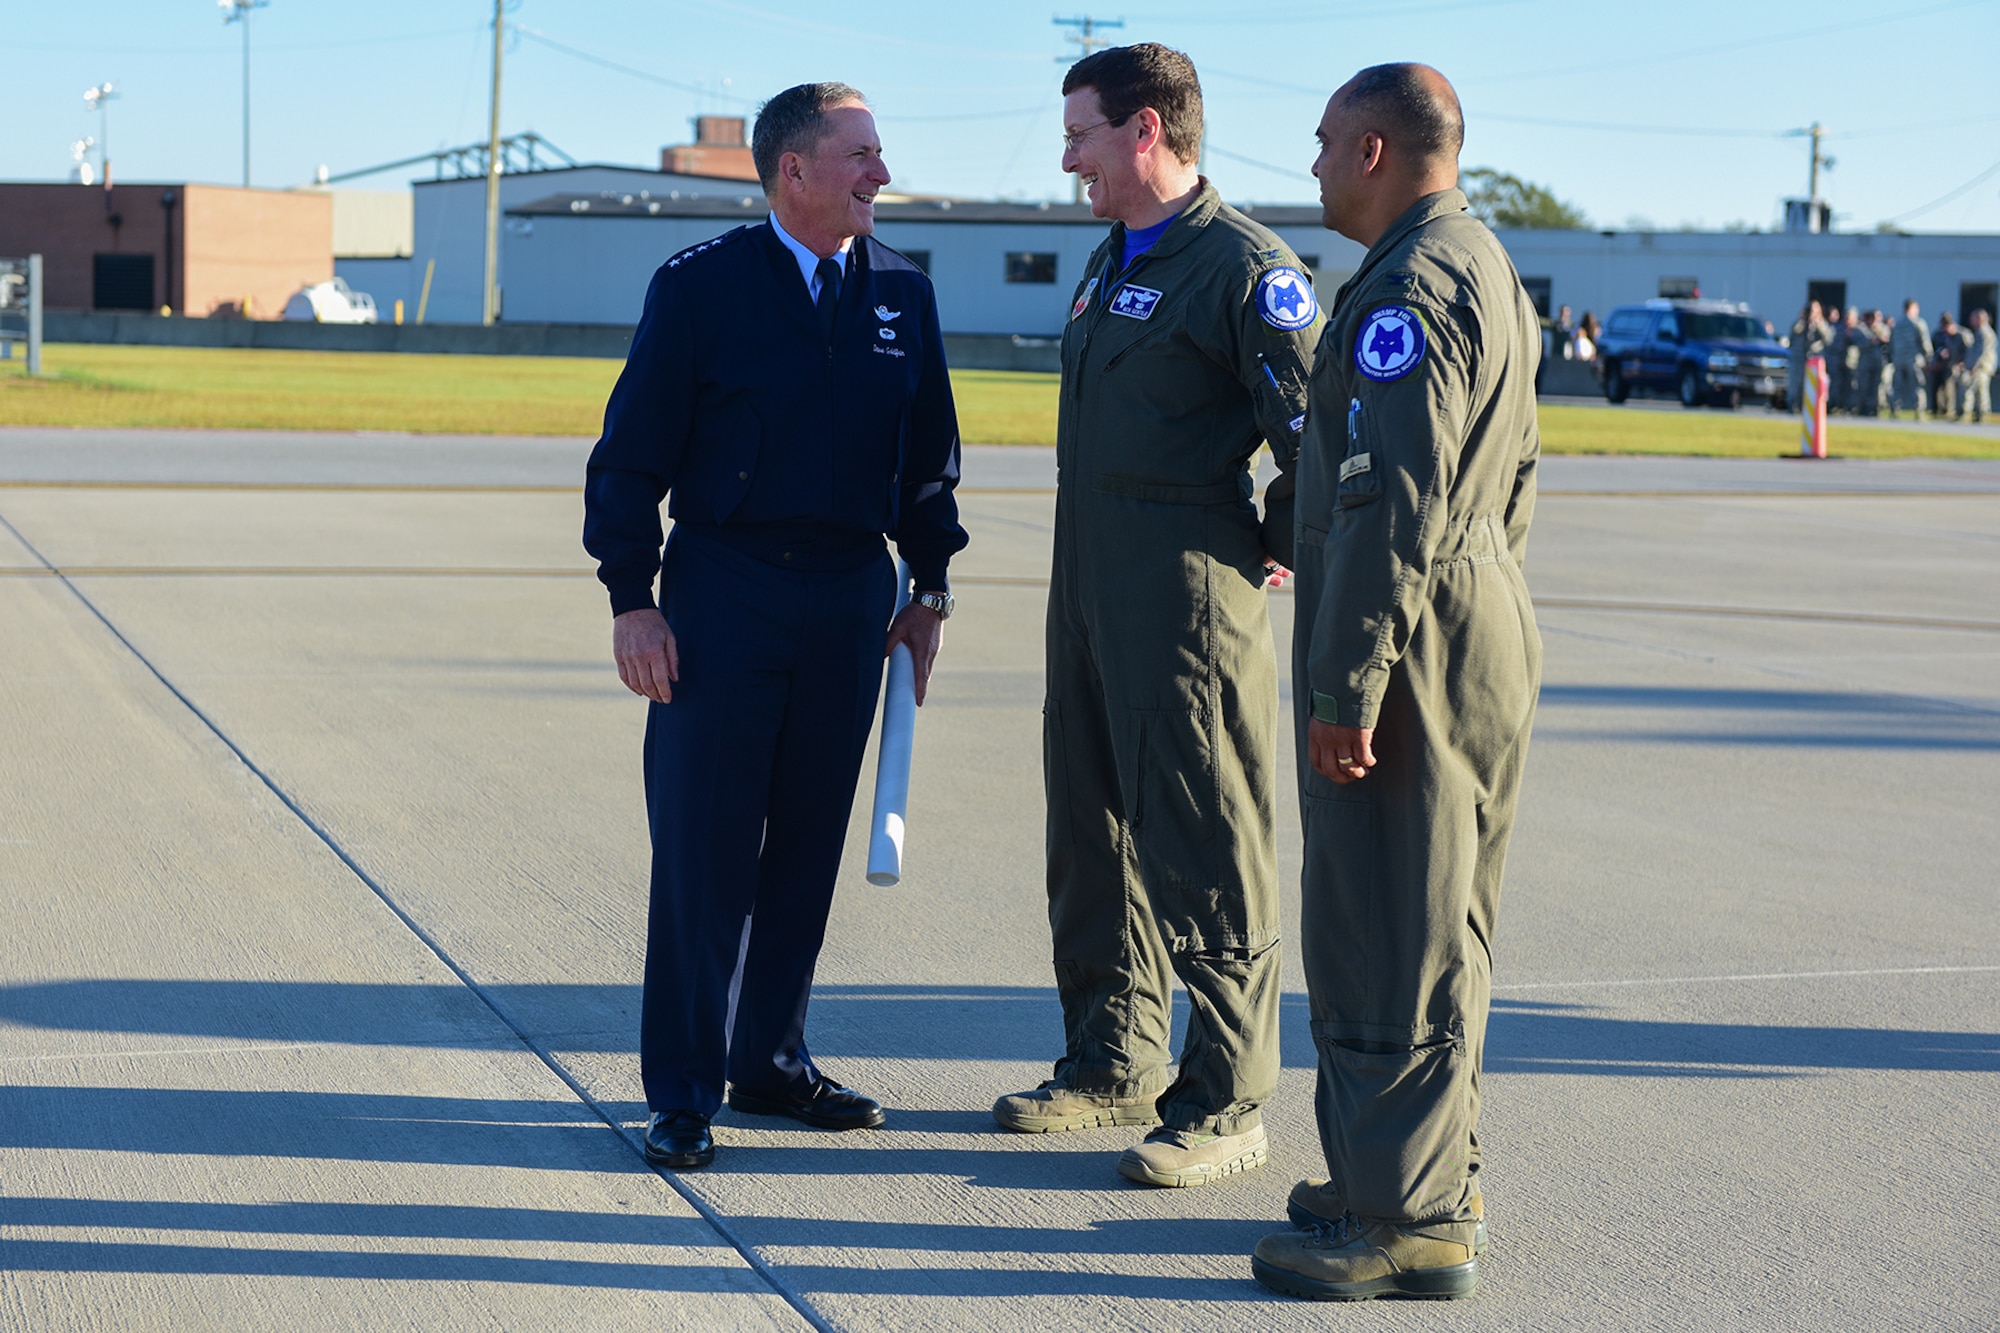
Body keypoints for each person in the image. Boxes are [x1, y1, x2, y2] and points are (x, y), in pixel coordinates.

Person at [582, 82, 968, 1171]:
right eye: (860, 156)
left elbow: (927, 463)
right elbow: (627, 461)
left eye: (878, 155)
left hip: (849, 598)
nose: (879, 175)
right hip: (724, 594)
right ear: (791, 171)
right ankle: (684, 1092)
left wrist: (927, 588)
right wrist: (633, 600)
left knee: (803, 848)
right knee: (704, 856)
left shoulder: (902, 293)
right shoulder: (701, 288)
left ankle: (771, 1062)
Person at [992, 41, 1317, 1190]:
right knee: (1089, 829)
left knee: (1203, 840)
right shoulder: (1108, 255)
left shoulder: (1243, 267)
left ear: (1143, 131)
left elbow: (1318, 441)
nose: (1066, 153)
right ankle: (1110, 1058)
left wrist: (1269, 548)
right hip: (1085, 590)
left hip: (1183, 607)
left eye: (1079, 130)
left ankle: (1227, 1100)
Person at [1250, 62, 1541, 1302]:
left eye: (1324, 144)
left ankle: (1405, 1217)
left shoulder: (1408, 292)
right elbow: (1504, 480)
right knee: (1436, 915)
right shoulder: (1473, 259)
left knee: (1388, 923)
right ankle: (1409, 1167)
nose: (1311, 164)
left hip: (1408, 637)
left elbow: (1386, 506)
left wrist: (1345, 687)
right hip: (1468, 616)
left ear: (1375, 151)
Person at [1889, 299, 1932, 419]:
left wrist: (1892, 357)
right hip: (1913, 360)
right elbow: (1924, 342)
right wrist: (1929, 358)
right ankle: (1919, 410)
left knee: (1897, 386)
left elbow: (1891, 344)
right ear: (1912, 308)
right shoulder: (1918, 323)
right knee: (1917, 386)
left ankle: (1895, 410)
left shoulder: (1897, 324)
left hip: (1898, 359)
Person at [1932, 311, 1967, 417]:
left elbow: (1966, 351)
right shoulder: (1938, 334)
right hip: (1939, 365)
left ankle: (1949, 410)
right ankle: (1938, 410)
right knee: (1936, 389)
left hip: (1954, 365)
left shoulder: (1960, 335)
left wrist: (1962, 362)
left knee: (1949, 388)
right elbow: (1932, 347)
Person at [1966, 307, 1997, 422]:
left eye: (1973, 318)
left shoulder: (1984, 333)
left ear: (1980, 318)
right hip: (1982, 366)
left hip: (1981, 367)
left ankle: (1975, 413)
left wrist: (1974, 365)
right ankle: (1980, 414)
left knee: (1975, 390)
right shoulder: (1980, 332)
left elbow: (1981, 352)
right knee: (1980, 390)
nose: (1971, 321)